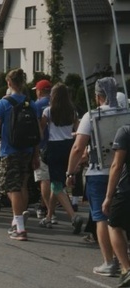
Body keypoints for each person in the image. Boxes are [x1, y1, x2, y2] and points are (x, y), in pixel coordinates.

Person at [68, 77, 122, 276]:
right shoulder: (125, 114)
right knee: (120, 217)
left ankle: (109, 262)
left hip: (99, 171)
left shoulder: (91, 116)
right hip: (123, 171)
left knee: (101, 217)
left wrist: (70, 171)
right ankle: (122, 258)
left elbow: (78, 147)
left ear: (98, 96)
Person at [0, 68, 40, 241]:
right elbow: (38, 131)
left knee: (10, 186)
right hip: (27, 150)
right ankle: (18, 218)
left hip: (9, 150)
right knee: (22, 183)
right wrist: (36, 154)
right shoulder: (30, 103)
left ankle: (20, 227)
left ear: (9, 83)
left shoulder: (4, 103)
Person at [37, 82, 84, 232]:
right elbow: (78, 129)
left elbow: (42, 130)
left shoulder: (49, 111)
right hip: (69, 145)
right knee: (57, 184)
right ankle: (49, 216)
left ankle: (73, 216)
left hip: (54, 147)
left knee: (56, 185)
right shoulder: (72, 111)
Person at [104, 125, 130, 288]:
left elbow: (116, 165)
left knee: (114, 225)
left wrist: (108, 196)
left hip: (126, 189)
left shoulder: (125, 131)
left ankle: (126, 269)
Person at [32, 79, 52, 220]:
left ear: (40, 91)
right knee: (56, 179)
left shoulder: (37, 105)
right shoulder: (59, 103)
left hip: (43, 145)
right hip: (59, 144)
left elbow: (37, 127)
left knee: (44, 179)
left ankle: (48, 210)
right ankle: (50, 207)